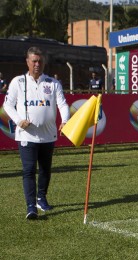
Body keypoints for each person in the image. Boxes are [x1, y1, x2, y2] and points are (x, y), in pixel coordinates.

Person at [4, 47, 70, 220]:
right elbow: (7, 105)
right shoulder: (17, 82)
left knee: (45, 170)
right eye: (34, 61)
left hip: (48, 135)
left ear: (44, 63)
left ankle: (42, 198)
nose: (37, 64)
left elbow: (62, 104)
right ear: (27, 62)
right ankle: (31, 206)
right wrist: (19, 120)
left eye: (40, 61)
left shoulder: (52, 83)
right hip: (26, 135)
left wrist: (65, 120)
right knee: (28, 170)